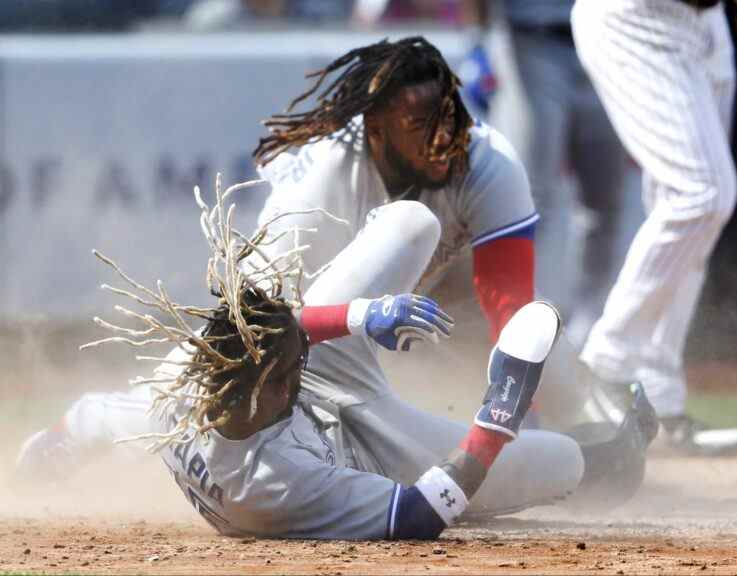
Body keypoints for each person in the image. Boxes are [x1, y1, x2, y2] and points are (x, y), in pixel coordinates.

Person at [17, 37, 655, 508]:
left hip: (386, 352)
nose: (442, 140)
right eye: (416, 125)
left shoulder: (489, 163)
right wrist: (357, 315)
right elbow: (248, 324)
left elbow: (509, 305)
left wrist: (532, 414)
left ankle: (588, 437)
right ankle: (91, 421)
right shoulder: (323, 173)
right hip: (300, 341)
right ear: (374, 127)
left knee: (558, 436)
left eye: (447, 119)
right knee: (188, 404)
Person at [18, 177, 584, 538]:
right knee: (566, 461)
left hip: (293, 408)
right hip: (366, 456)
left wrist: (361, 316)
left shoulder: (186, 385)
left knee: (413, 224)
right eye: (295, 363)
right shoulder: (278, 485)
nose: (305, 352)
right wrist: (497, 418)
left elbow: (90, 418)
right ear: (271, 388)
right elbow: (420, 514)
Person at [570, 0, 737, 455]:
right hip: (637, 16)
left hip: (707, 21)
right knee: (701, 194)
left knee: (693, 211)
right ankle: (607, 363)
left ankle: (658, 398)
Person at [461, 0, 629, 347]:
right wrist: (478, 35)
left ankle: (590, 335)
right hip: (531, 39)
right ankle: (521, 330)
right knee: (529, 196)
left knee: (606, 199)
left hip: (611, 40)